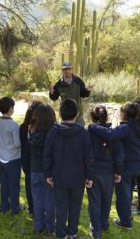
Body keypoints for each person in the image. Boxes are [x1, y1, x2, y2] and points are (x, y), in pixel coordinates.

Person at [88, 101, 140, 230]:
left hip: (128, 164)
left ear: (123, 114)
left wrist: (92, 127)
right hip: (139, 164)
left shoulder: (126, 128)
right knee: (129, 191)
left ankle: (125, 221)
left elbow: (110, 135)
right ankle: (127, 216)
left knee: (123, 194)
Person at [44, 99, 94, 239]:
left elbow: (47, 155)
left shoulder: (53, 132)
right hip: (78, 178)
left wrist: (48, 174)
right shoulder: (83, 133)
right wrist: (89, 176)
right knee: (75, 207)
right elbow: (89, 157)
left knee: (61, 207)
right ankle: (72, 232)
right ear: (77, 114)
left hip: (60, 177)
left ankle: (61, 234)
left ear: (60, 113)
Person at [86, 105, 124, 239]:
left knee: (95, 201)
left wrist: (87, 173)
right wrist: (118, 172)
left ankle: (96, 229)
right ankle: (103, 223)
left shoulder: (89, 132)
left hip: (94, 171)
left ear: (92, 117)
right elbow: (119, 155)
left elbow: (87, 154)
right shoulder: (113, 133)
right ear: (106, 117)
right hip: (109, 171)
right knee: (107, 199)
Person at [29, 104, 57, 234]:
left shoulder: (31, 131)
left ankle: (38, 225)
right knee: (50, 199)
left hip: (35, 169)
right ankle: (50, 225)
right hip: (49, 170)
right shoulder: (54, 133)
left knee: (37, 198)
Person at [0, 97, 23, 214]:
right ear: (11, 108)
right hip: (13, 159)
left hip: (1, 157)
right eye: (13, 107)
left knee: (4, 184)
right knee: (14, 185)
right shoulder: (14, 125)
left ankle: (4, 206)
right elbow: (17, 144)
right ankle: (15, 207)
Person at [48, 62, 93, 126]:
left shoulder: (78, 81)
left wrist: (87, 90)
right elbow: (54, 98)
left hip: (78, 114)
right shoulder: (58, 84)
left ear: (72, 70)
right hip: (65, 115)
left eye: (69, 69)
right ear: (62, 70)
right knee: (65, 134)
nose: (67, 71)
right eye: (65, 69)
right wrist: (51, 92)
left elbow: (83, 94)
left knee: (81, 133)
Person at [19, 101, 44, 217]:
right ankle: (36, 209)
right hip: (35, 161)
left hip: (26, 160)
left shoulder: (23, 128)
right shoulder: (39, 129)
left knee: (30, 184)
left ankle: (32, 209)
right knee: (35, 186)